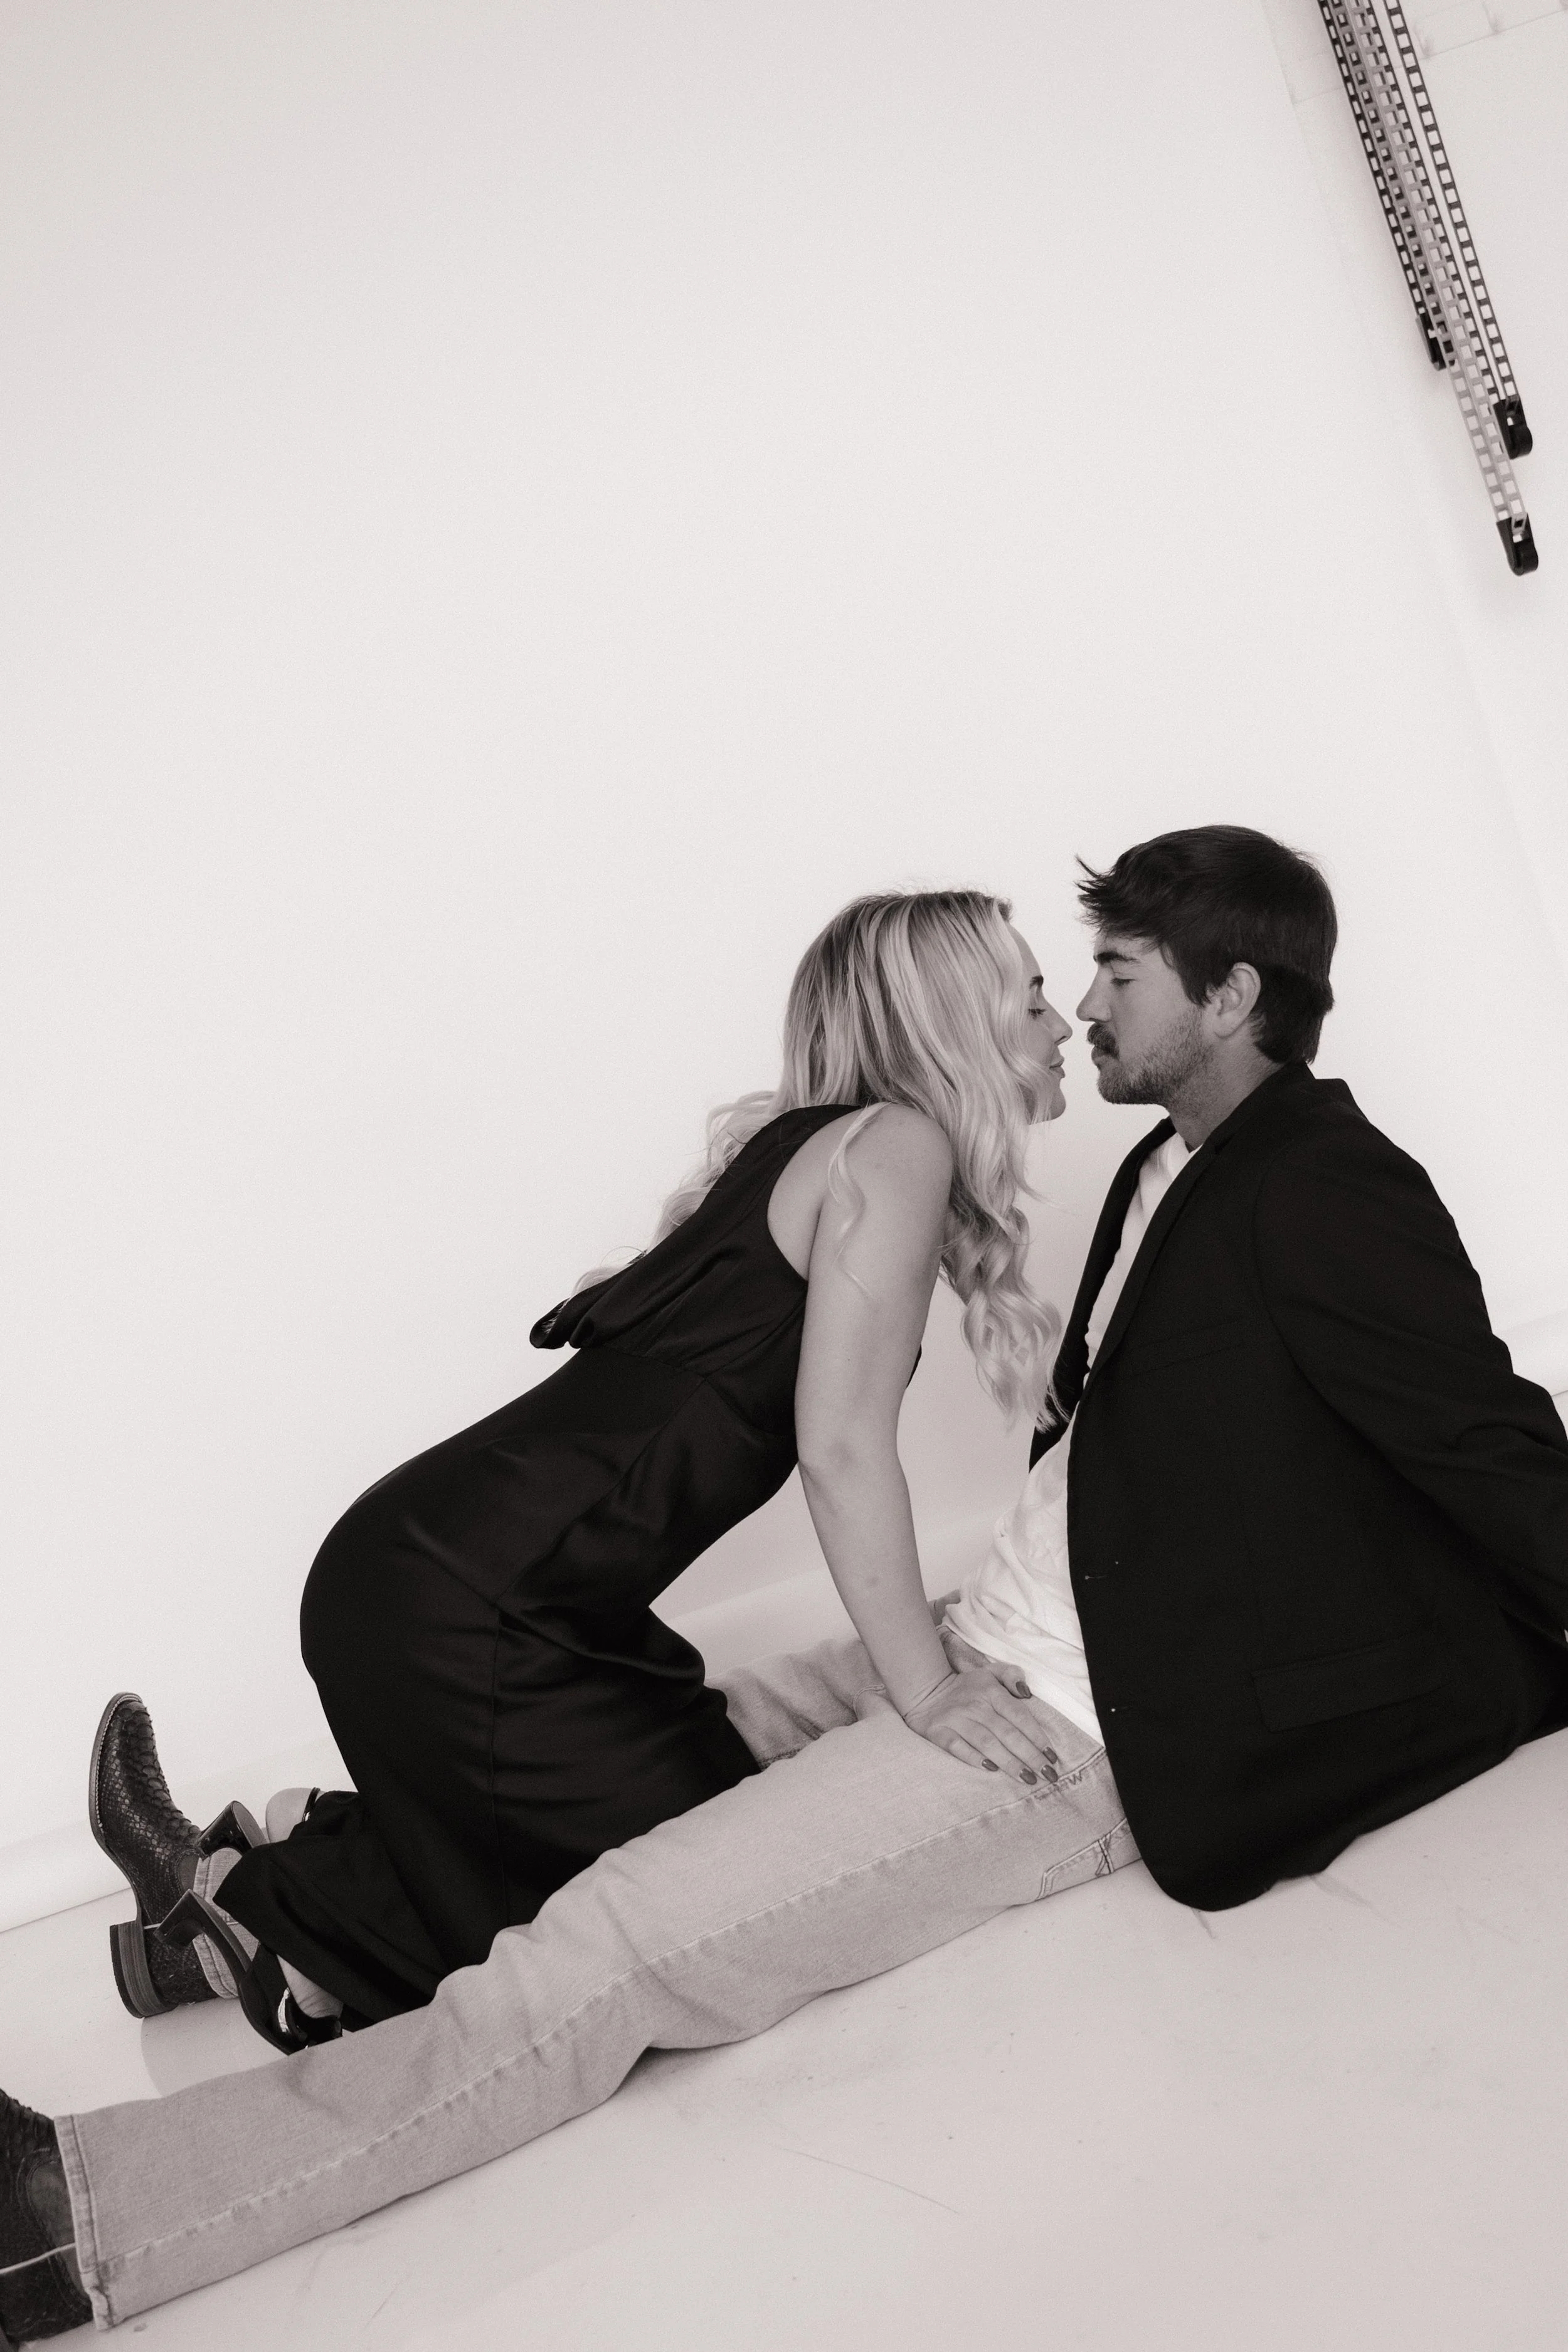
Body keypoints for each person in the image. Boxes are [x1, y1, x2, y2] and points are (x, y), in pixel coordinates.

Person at [6, 825, 1567, 2348]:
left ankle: (84, 2217)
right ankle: (243, 1916)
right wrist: (932, 1658)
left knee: (607, 1939)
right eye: (1062, 978)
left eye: (1112, 973)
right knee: (648, 1764)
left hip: (1077, 1723)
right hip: (973, 1637)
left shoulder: (1325, 1182)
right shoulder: (1164, 1163)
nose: (1081, 1007)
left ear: (1229, 998)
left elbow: (1480, 1438)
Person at [83, 889, 1069, 2055]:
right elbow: (842, 1449)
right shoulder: (898, 1145)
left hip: (456, 1586)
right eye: (1034, 993)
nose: (1061, 1024)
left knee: (697, 1839)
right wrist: (931, 1689)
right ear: (953, 1019)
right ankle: (254, 1896)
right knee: (677, 1902)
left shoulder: (809, 1149)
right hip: (462, 1607)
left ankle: (224, 1907)